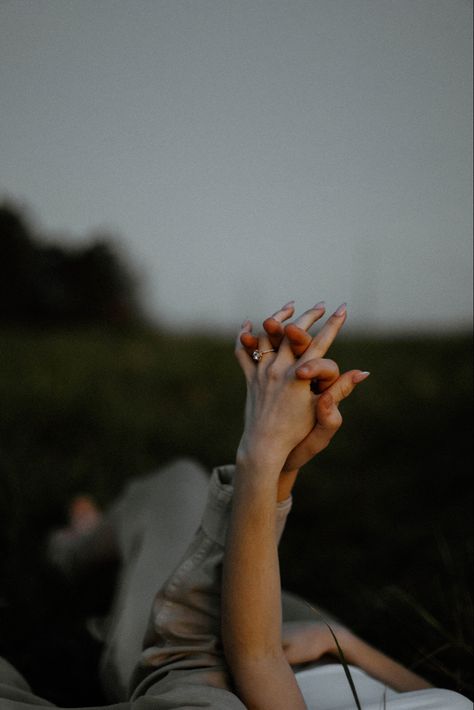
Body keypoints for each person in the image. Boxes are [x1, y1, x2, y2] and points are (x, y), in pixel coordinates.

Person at [0, 302, 471, 709]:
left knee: (180, 487)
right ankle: (95, 569)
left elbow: (257, 660)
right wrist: (344, 644)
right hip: (309, 638)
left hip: (218, 665)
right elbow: (436, 694)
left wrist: (265, 457)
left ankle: (72, 553)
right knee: (179, 492)